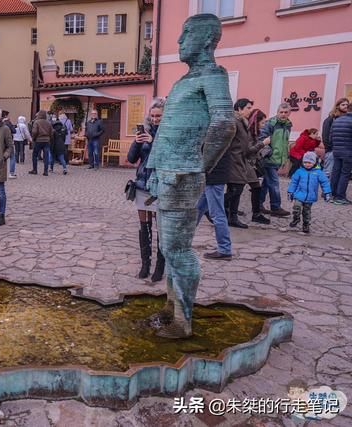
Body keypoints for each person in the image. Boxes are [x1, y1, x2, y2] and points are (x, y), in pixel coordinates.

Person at [145, 14, 235, 338]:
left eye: (186, 34)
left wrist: (200, 166)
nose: (179, 41)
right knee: (169, 249)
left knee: (178, 249)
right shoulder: (183, 81)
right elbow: (166, 132)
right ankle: (171, 307)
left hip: (184, 175)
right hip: (168, 174)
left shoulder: (213, 75)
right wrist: (153, 169)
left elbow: (225, 123)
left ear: (207, 39)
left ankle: (183, 322)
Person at [127, 101, 165, 282]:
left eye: (159, 116)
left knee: (161, 228)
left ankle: (160, 266)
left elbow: (167, 157)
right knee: (144, 226)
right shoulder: (145, 132)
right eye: (153, 116)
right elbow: (131, 158)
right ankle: (145, 264)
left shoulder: (168, 133)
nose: (155, 119)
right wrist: (136, 142)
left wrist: (154, 141)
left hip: (161, 186)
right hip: (142, 184)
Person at [225, 98, 261, 229]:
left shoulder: (242, 122)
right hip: (234, 161)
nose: (250, 111)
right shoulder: (234, 122)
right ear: (239, 109)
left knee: (236, 190)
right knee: (235, 189)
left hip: (240, 160)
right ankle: (211, 206)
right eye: (248, 108)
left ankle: (232, 217)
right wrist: (262, 144)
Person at [258, 102, 292, 217]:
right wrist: (269, 152)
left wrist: (284, 157)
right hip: (269, 159)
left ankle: (258, 204)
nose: (283, 114)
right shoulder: (270, 123)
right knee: (274, 183)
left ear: (289, 113)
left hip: (278, 159)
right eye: (281, 112)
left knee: (267, 183)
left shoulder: (288, 125)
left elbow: (285, 142)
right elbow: (262, 138)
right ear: (277, 112)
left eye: (285, 112)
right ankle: (275, 207)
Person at [287, 152, 332, 233]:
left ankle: (306, 225)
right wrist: (290, 192)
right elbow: (293, 182)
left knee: (306, 212)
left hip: (310, 196)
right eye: (305, 162)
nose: (307, 164)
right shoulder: (299, 171)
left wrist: (327, 192)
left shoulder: (318, 172)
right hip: (299, 194)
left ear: (314, 162)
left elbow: (325, 183)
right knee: (296, 207)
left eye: (310, 162)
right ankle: (296, 219)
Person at [246, 109, 271, 224]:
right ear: (256, 122)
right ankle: (225, 208)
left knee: (255, 187)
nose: (264, 125)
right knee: (236, 189)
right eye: (262, 122)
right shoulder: (249, 133)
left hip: (250, 164)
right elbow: (248, 150)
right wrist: (263, 144)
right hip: (245, 164)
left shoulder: (255, 133)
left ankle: (256, 214)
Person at [329, 107, 352, 205]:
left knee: (336, 172)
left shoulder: (337, 120)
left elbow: (330, 138)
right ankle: (340, 196)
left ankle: (332, 194)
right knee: (345, 174)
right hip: (348, 151)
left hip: (336, 151)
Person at [322, 98, 349, 177]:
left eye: (347, 105)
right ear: (337, 106)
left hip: (343, 151)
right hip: (332, 150)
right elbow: (325, 134)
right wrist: (329, 148)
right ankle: (326, 189)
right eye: (343, 105)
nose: (345, 106)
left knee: (338, 174)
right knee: (328, 173)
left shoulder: (347, 119)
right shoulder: (330, 119)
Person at [29, 110, 53, 176]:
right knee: (46, 156)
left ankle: (35, 170)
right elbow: (51, 133)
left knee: (35, 155)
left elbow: (34, 132)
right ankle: (45, 171)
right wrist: (50, 139)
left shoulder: (37, 122)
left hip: (38, 140)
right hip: (46, 141)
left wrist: (34, 138)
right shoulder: (48, 123)